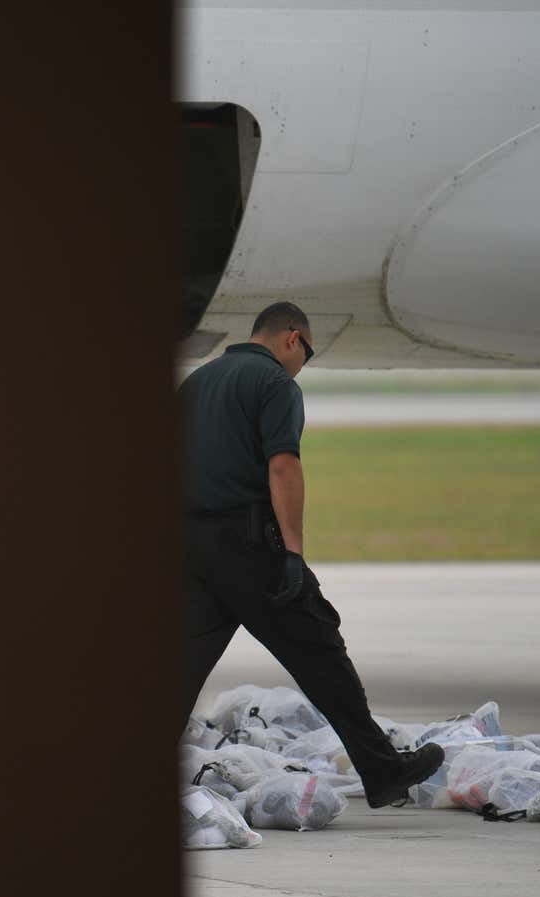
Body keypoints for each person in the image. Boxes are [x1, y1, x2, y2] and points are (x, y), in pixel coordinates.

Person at [179, 301, 444, 808]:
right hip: (249, 546)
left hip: (189, 548)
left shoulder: (197, 382)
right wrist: (294, 555)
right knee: (320, 652)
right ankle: (383, 769)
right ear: (292, 339)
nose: (302, 363)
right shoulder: (274, 383)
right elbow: (283, 468)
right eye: (307, 352)